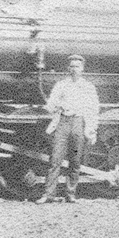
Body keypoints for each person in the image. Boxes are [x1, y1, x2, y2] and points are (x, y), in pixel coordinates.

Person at [36, 54, 99, 204]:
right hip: (63, 122)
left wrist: (92, 130)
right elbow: (50, 105)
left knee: (75, 162)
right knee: (55, 160)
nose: (74, 69)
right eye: (71, 66)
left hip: (78, 123)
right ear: (68, 68)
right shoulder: (61, 85)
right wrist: (58, 105)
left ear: (82, 69)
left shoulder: (88, 87)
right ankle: (48, 194)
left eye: (77, 66)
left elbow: (94, 109)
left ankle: (70, 194)